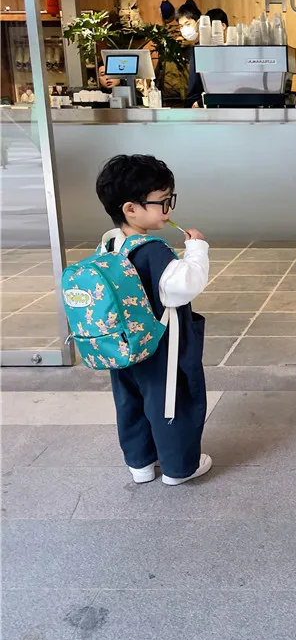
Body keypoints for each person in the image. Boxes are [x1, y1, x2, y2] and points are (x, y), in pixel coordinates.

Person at [95, 154, 212, 485]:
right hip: (160, 346)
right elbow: (183, 288)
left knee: (130, 401)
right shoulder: (152, 250)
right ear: (131, 208)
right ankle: (178, 468)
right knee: (171, 403)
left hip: (122, 345)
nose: (168, 210)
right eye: (162, 202)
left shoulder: (108, 243)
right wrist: (197, 250)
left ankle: (141, 464)